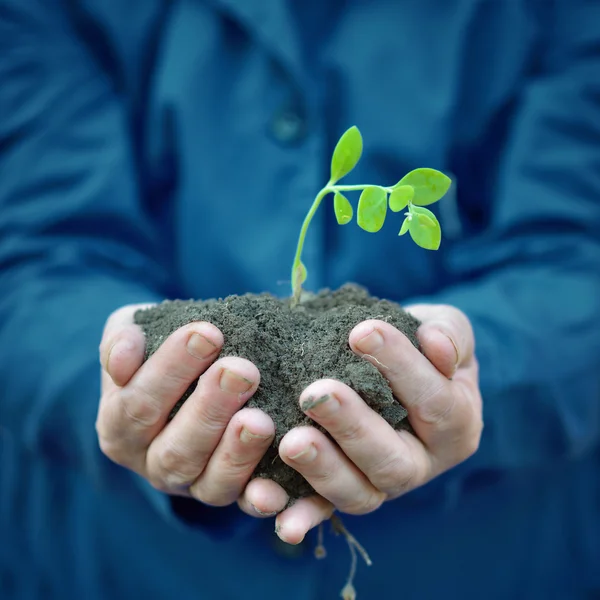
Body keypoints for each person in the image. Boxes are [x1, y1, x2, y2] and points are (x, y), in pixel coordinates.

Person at [0, 1, 598, 599]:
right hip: (122, 564)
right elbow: (34, 252)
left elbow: (577, 251)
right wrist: (111, 380)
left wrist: (468, 369)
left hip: (486, 563)